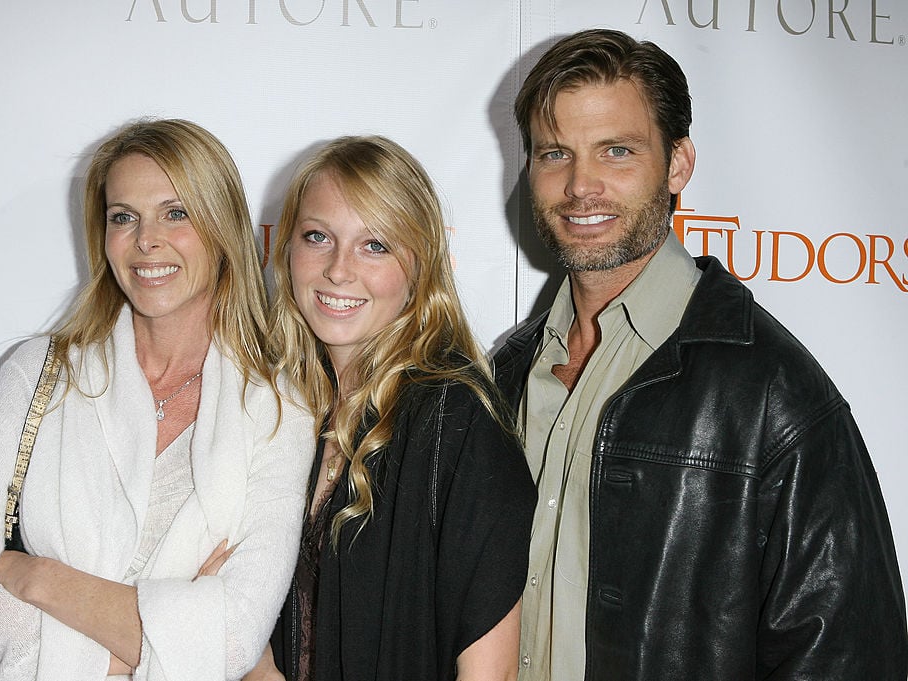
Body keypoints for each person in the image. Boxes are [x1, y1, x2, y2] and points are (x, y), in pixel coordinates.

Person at [493, 28, 908, 680]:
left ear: (678, 163)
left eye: (617, 150)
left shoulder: (774, 393)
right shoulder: (506, 374)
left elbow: (849, 661)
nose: (581, 185)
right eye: (554, 154)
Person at [0, 119, 315, 680]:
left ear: (222, 225)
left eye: (175, 213)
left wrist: (42, 580)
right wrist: (146, 648)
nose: (146, 239)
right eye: (123, 217)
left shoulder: (280, 407)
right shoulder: (39, 373)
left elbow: (232, 641)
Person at [244, 135, 536, 681]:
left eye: (374, 244)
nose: (337, 269)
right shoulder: (288, 413)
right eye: (317, 237)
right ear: (286, 248)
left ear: (420, 264)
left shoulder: (457, 422)